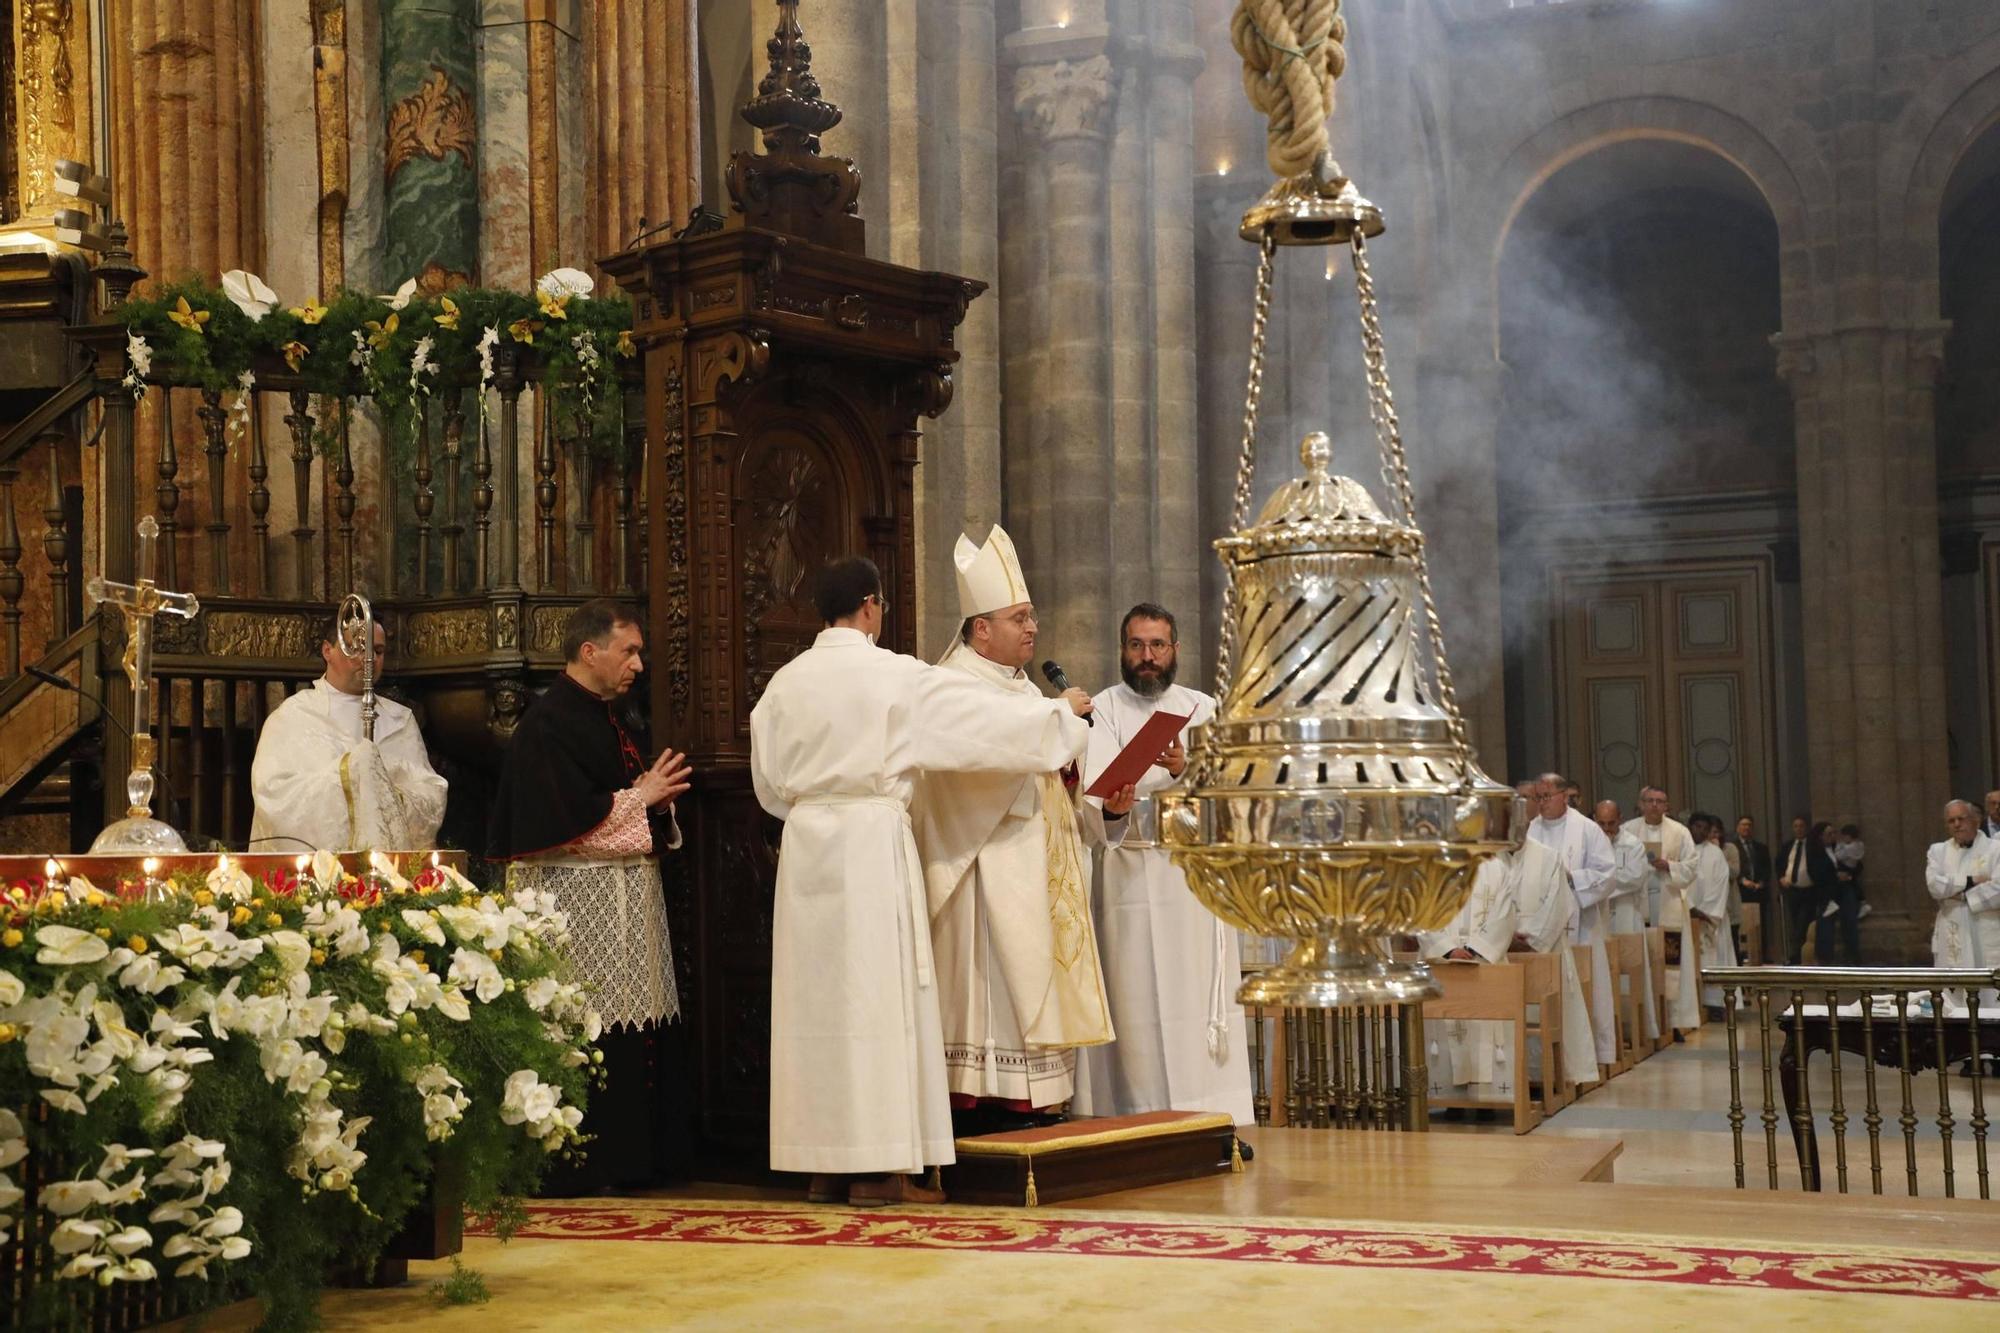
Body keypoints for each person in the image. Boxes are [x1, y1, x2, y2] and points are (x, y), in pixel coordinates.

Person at [751, 558, 1102, 1207]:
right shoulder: (893, 676)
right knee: (875, 1002)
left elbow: (768, 784)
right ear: (870, 606)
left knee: (816, 1007)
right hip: (870, 842)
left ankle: (822, 1163)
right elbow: (984, 725)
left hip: (804, 849)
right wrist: (1060, 722)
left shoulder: (784, 683)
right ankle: (878, 1168)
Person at [913, 526, 1126, 1129]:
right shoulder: (950, 684)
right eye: (1020, 618)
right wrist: (1054, 726)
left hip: (1036, 866)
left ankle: (1040, 1099)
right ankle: (987, 1104)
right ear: (981, 628)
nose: (1033, 628)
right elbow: (970, 771)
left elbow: (1047, 771)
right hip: (985, 870)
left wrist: (1095, 794)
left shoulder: (1021, 686)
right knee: (994, 990)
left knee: (1036, 977)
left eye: (1032, 618)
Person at [487, 599, 693, 1193]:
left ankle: (636, 1160)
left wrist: (651, 799)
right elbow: (563, 820)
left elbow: (613, 798)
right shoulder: (548, 723)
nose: (638, 664)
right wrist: (641, 798)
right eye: (629, 651)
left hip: (625, 905)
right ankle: (584, 1166)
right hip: (575, 908)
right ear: (589, 651)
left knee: (633, 1022)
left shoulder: (609, 717)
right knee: (585, 1027)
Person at [1071, 603, 1254, 1140]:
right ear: (1122, 649)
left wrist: (1186, 767)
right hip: (1127, 876)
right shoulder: (1101, 710)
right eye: (1136, 646)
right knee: (1136, 999)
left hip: (1190, 880)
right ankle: (1136, 1119)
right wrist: (1117, 807)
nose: (1146, 657)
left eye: (1157, 646)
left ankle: (1209, 1119)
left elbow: (1236, 789)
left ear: (1176, 650)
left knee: (1194, 998)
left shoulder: (1204, 709)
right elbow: (1090, 792)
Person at [249, 610, 447, 852]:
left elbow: (430, 795)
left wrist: (384, 790)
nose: (369, 658)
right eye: (357, 647)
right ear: (327, 651)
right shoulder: (292, 718)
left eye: (378, 651)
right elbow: (274, 798)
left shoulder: (399, 720)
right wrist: (350, 774)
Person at [1418, 790, 1567, 1105]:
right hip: (1444, 966)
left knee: (1486, 1030)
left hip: (1484, 963)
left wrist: (1474, 949)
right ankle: (1448, 1098)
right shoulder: (1431, 863)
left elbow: (1504, 912)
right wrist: (1446, 948)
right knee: (1444, 1030)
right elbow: (1420, 910)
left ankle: (1488, 1099)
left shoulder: (1497, 864)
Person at [1511, 781, 1600, 1089]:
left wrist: (1530, 939)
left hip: (1544, 952)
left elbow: (1557, 905)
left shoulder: (1549, 857)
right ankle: (1514, 1079)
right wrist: (1503, 937)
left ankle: (1553, 1075)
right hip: (1503, 952)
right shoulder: (1490, 860)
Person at [1527, 774, 1616, 1072]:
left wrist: (1572, 878)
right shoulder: (1531, 830)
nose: (1541, 803)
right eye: (1537, 797)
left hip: (1582, 927)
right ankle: (1545, 1063)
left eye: (1546, 796)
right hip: (1540, 926)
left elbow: (1607, 874)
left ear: (1564, 796)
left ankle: (1589, 1057)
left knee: (1589, 993)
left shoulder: (1588, 830)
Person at [1925, 800, 2000, 1013]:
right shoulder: (1938, 851)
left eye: (1961, 818)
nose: (1957, 824)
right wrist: (1973, 880)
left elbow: (1998, 887)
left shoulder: (1995, 849)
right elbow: (1934, 886)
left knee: (1990, 992)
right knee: (1952, 993)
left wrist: (1960, 896)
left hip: (1985, 931)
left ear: (1976, 820)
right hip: (1951, 928)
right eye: (1951, 821)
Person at [1596, 799, 1660, 1043]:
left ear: (1620, 819)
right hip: (1600, 917)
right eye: (1601, 823)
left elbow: (1634, 877)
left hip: (1626, 917)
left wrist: (1601, 884)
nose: (1606, 829)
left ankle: (1635, 1031)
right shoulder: (1591, 843)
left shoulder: (1632, 844)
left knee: (1630, 980)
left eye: (1611, 823)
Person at [1670, 812, 1739, 1031]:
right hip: (1685, 915)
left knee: (1713, 958)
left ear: (1709, 831)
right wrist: (1687, 907)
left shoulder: (1715, 854)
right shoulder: (1682, 851)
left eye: (1703, 827)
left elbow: (1720, 886)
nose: (1698, 830)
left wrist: (1703, 912)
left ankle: (1716, 1003)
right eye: (1695, 826)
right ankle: (1693, 1003)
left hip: (1709, 918)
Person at [1625, 785, 1696, 931]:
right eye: (1650, 800)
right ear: (1641, 804)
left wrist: (1669, 866)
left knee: (1668, 949)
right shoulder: (1627, 830)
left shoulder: (1680, 831)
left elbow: (1692, 865)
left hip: (1668, 898)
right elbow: (1618, 864)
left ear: (1666, 806)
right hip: (1638, 898)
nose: (1654, 805)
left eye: (1659, 801)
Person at [1776, 815, 1821, 963]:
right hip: (1793, 890)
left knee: (1803, 923)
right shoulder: (1788, 846)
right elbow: (1780, 863)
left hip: (1808, 890)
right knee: (1795, 922)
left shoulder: (1813, 845)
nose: (1798, 829)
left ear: (1806, 828)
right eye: (1795, 826)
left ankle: (1798, 956)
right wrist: (1782, 877)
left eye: (1801, 826)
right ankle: (1797, 953)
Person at [1732, 816, 1771, 961]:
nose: (1746, 828)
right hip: (1741, 891)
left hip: (1758, 891)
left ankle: (1761, 954)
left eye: (1749, 825)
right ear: (1738, 828)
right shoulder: (1733, 847)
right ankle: (1742, 955)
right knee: (1741, 925)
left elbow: (1767, 868)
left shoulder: (1761, 847)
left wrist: (1762, 882)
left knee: (1761, 924)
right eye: (1743, 825)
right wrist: (1743, 880)